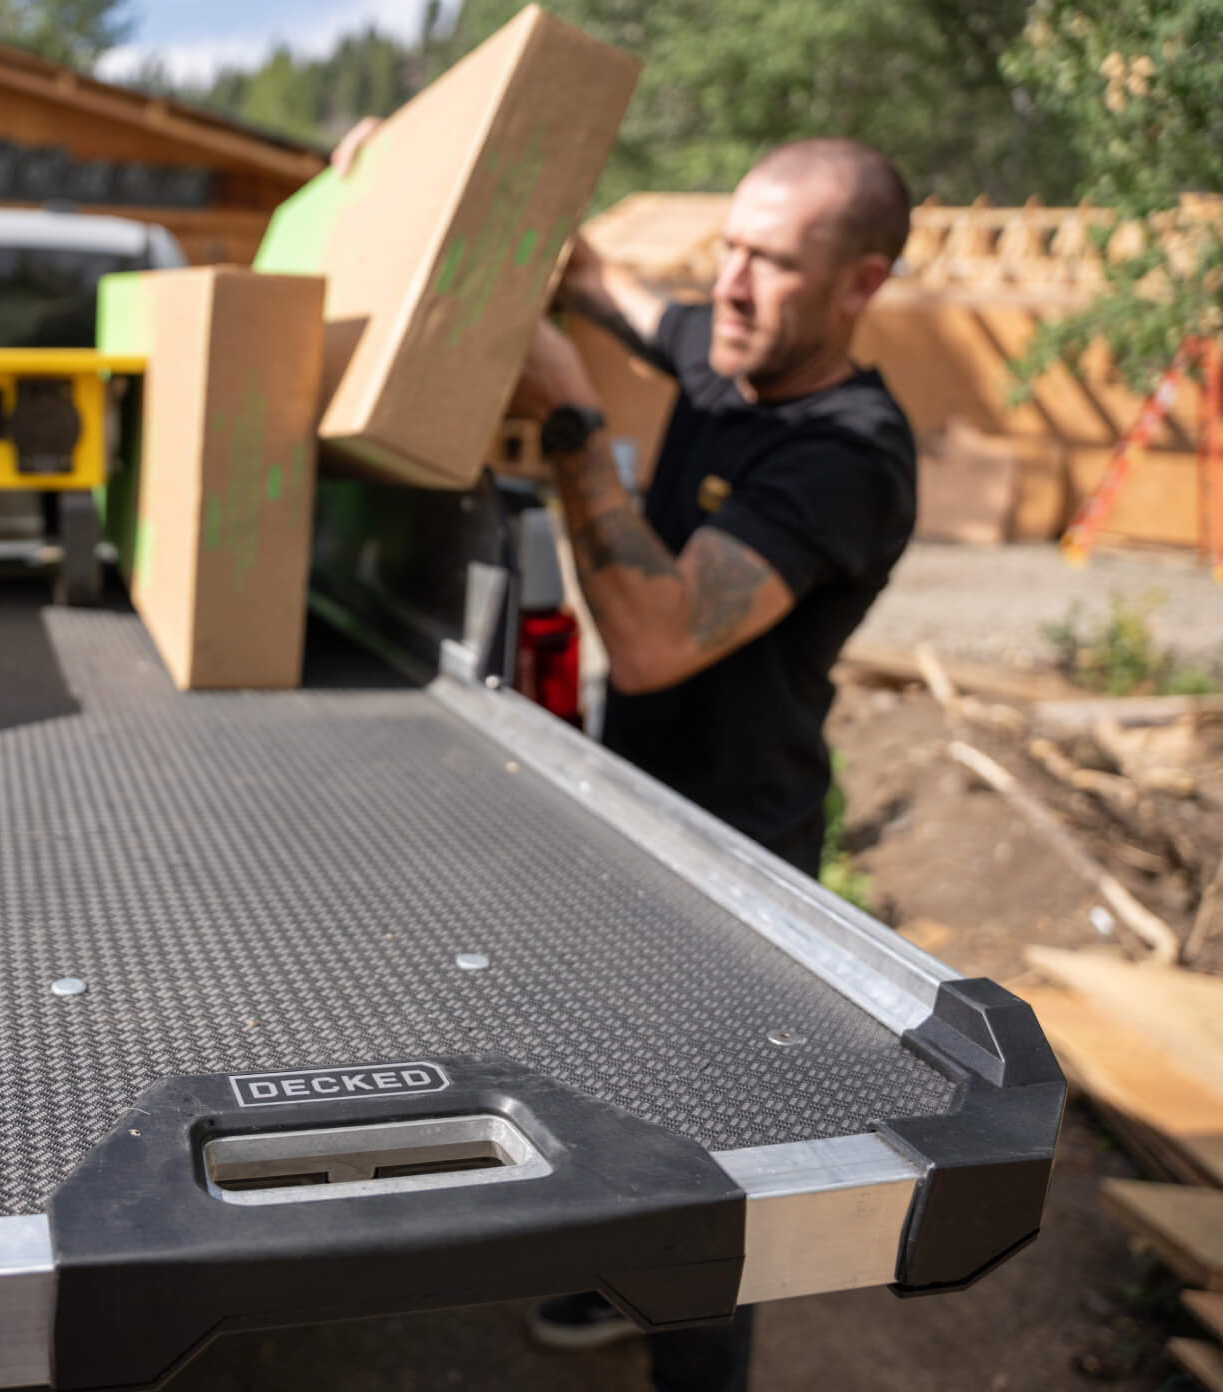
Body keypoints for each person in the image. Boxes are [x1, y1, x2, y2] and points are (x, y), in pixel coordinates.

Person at [333, 130, 921, 1390]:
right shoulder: (728, 347)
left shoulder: (845, 454)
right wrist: (406, 173)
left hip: (741, 849)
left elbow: (654, 642)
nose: (734, 287)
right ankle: (612, 1273)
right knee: (624, 1081)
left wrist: (574, 419)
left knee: (713, 1176)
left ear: (861, 284)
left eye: (774, 263)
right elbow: (588, 274)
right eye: (732, 251)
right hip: (643, 805)